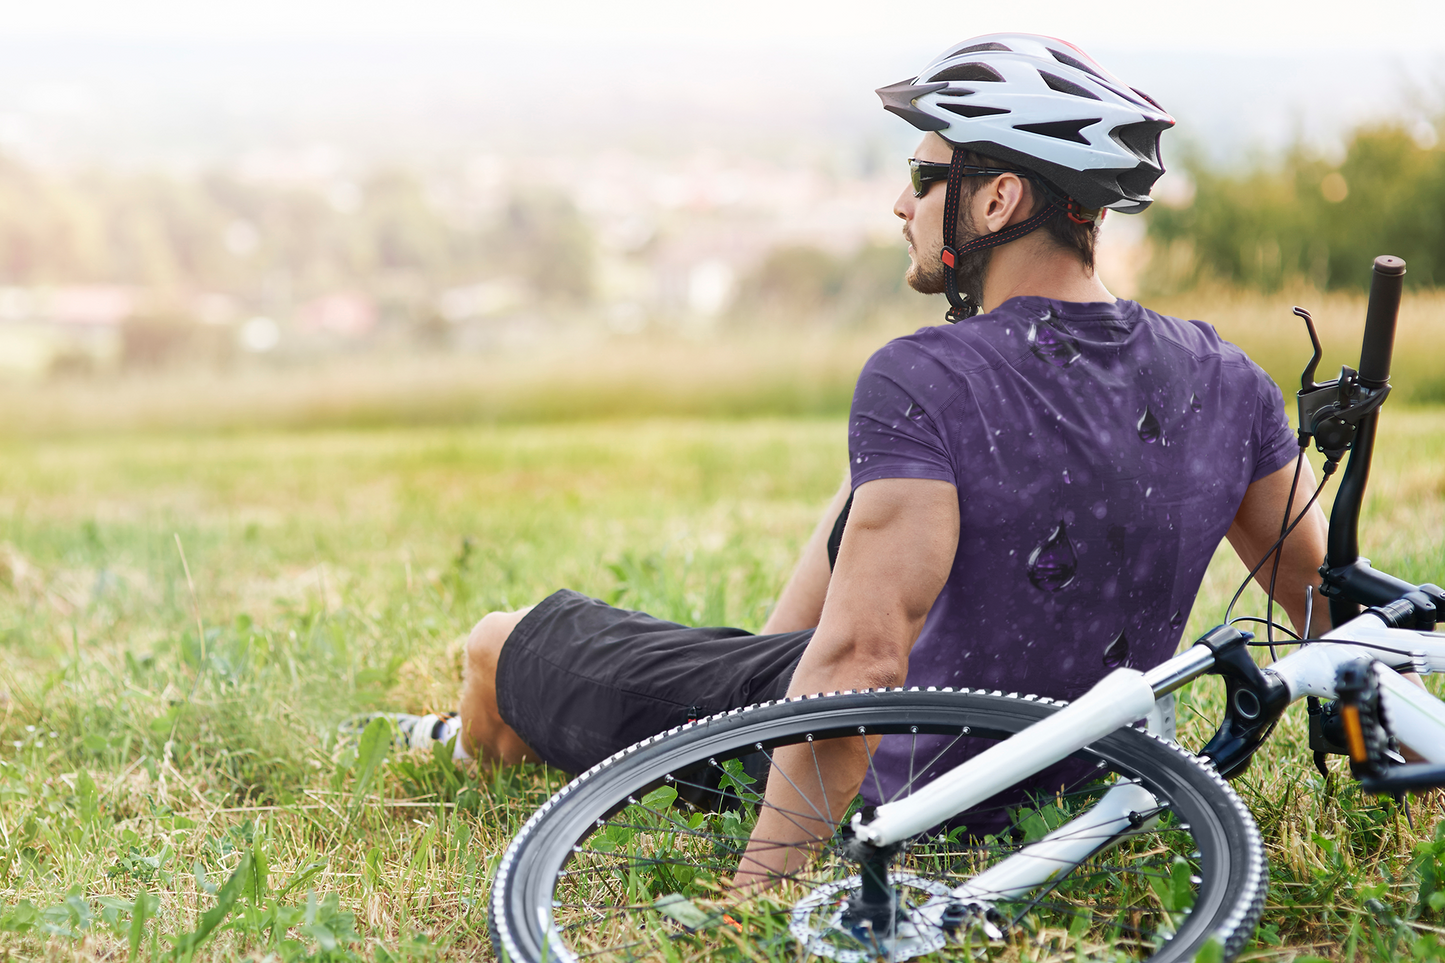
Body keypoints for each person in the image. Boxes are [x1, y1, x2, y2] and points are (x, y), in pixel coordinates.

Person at [383, 34, 1328, 881]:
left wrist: (758, 898)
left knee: (497, 643)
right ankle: (727, 678)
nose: (900, 202)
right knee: (882, 481)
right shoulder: (1226, 376)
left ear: (999, 197)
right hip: (1075, 784)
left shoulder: (927, 372)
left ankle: (467, 746)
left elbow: (862, 660)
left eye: (924, 177)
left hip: (892, 788)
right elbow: (1330, 605)